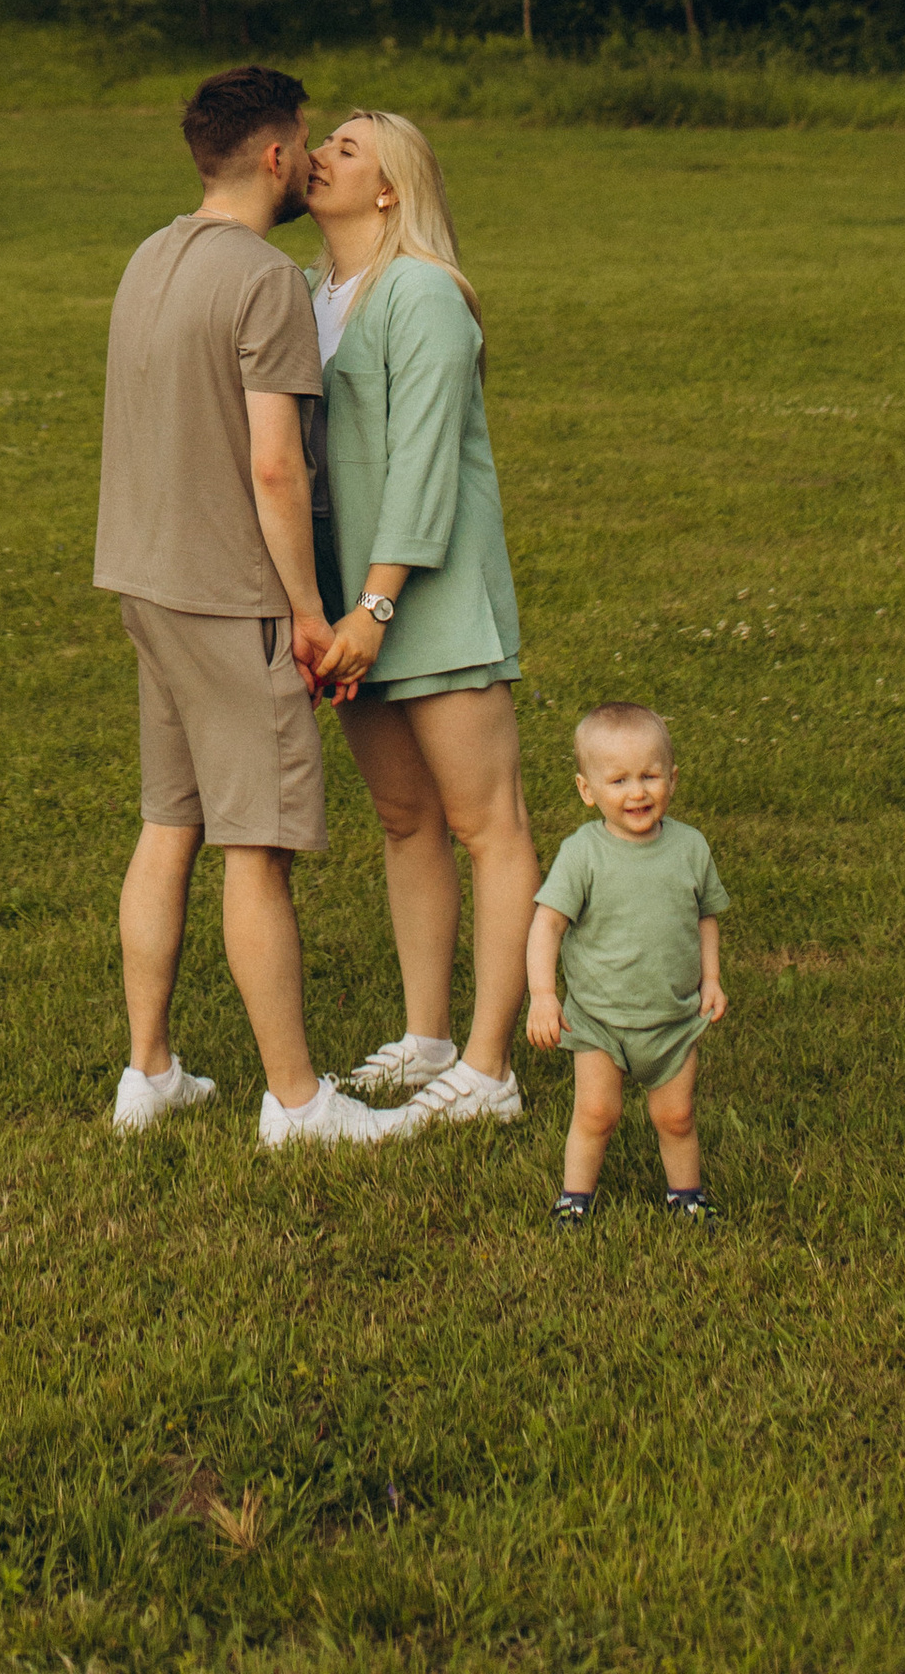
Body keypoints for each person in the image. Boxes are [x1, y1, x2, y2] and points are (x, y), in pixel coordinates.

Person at [95, 63, 392, 1149]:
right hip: (231, 598)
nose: (312, 160)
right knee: (255, 846)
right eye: (306, 143)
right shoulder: (265, 280)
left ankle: (150, 1072)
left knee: (168, 821)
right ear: (272, 157)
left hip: (143, 577)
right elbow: (276, 468)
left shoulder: (148, 257)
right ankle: (299, 1103)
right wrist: (308, 613)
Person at [304, 108, 537, 1138]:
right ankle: (429, 1038)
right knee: (405, 823)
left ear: (391, 188)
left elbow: (426, 462)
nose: (320, 156)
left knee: (489, 827)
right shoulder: (318, 298)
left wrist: (377, 603)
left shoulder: (424, 295)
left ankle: (490, 1067)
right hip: (351, 614)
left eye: (347, 149)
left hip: (425, 603)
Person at [525, 701, 728, 1223]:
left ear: (673, 779)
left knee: (677, 1116)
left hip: (673, 1016)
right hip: (599, 1019)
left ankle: (686, 1195)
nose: (636, 792)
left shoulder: (690, 847)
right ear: (586, 790)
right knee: (596, 1113)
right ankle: (575, 1198)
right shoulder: (583, 854)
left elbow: (706, 914)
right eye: (617, 781)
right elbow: (547, 924)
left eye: (649, 776)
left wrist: (712, 979)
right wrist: (545, 997)